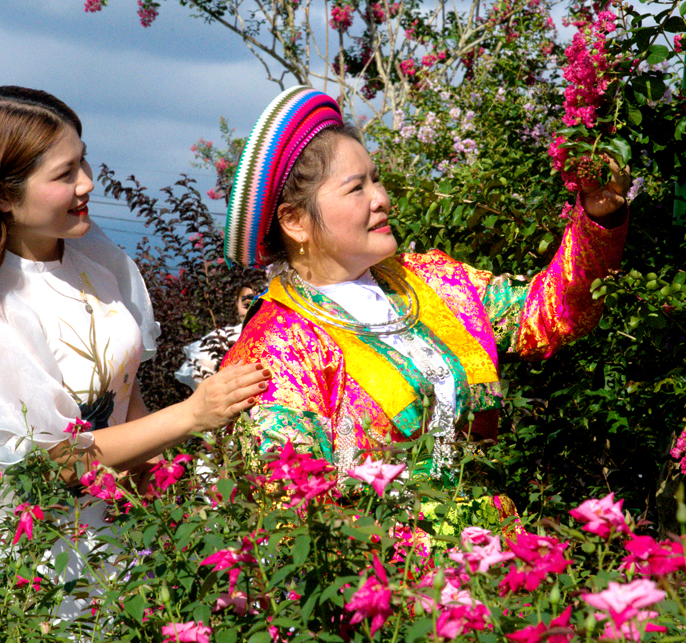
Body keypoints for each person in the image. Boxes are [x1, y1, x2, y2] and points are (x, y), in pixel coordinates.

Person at [221, 87, 628, 507]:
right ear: (295, 221)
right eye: (356, 189)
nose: (381, 199)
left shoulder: (431, 280)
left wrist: (599, 218)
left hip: (491, 553)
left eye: (375, 179)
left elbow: (549, 312)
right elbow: (289, 501)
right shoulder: (274, 346)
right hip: (388, 565)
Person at [0, 86, 269, 513]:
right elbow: (48, 463)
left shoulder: (94, 255)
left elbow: (123, 379)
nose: (87, 182)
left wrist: (156, 474)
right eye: (64, 174)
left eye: (81, 159)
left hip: (124, 530)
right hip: (51, 559)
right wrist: (190, 415)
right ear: (2, 195)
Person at [175, 282, 262, 392]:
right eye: (247, 305)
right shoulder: (217, 340)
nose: (254, 312)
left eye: (263, 307)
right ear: (237, 302)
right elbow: (203, 391)